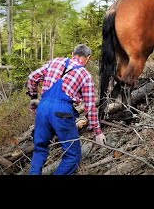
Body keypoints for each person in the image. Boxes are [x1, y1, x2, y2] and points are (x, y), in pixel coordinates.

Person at [26, 44, 106, 175]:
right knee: (73, 155)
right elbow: (90, 106)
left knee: (40, 149)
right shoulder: (85, 75)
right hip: (62, 112)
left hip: (43, 109)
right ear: (88, 58)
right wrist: (98, 132)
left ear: (72, 53)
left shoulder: (55, 61)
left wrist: (33, 97)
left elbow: (32, 77)